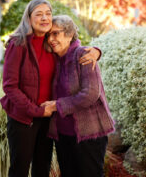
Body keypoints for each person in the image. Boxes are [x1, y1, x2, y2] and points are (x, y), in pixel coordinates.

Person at [0, 0, 101, 177]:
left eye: (48, 13)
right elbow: (10, 86)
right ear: (29, 19)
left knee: (43, 167)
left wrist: (96, 51)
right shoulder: (18, 44)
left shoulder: (50, 43)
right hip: (24, 119)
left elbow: (73, 48)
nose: (45, 18)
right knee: (19, 169)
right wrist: (36, 111)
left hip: (48, 119)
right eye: (39, 14)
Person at [42, 15, 115, 177]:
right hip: (63, 135)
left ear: (69, 35)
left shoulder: (84, 55)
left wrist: (56, 105)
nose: (51, 39)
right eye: (48, 35)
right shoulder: (55, 58)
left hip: (88, 135)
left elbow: (90, 94)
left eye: (56, 33)